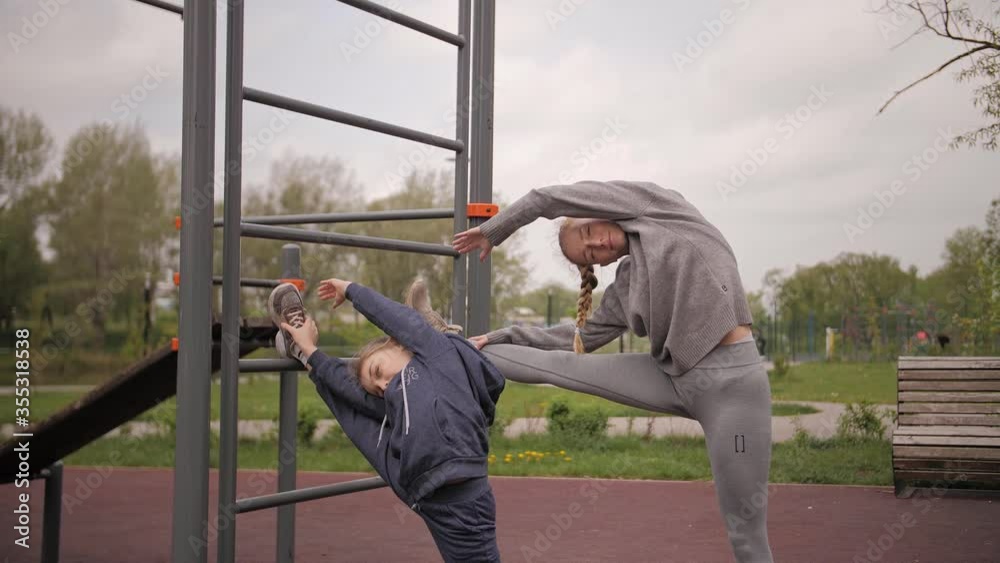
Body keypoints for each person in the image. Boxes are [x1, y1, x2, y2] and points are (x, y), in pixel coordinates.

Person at [453, 180, 773, 563]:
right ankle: (456, 349)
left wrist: (495, 229)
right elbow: (578, 339)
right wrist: (501, 334)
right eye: (590, 253)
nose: (598, 245)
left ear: (600, 211)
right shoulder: (625, 287)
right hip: (671, 379)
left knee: (746, 535)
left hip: (731, 386)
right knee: (561, 365)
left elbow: (545, 199)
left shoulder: (657, 208)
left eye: (590, 232)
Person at [270, 279, 505, 563]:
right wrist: (314, 351)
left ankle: (306, 352)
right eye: (377, 386)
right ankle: (305, 352)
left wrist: (352, 289)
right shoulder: (395, 396)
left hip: (461, 491)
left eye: (378, 370)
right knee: (355, 412)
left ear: (397, 342)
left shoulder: (434, 355)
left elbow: (397, 318)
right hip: (422, 490)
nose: (382, 385)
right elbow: (354, 394)